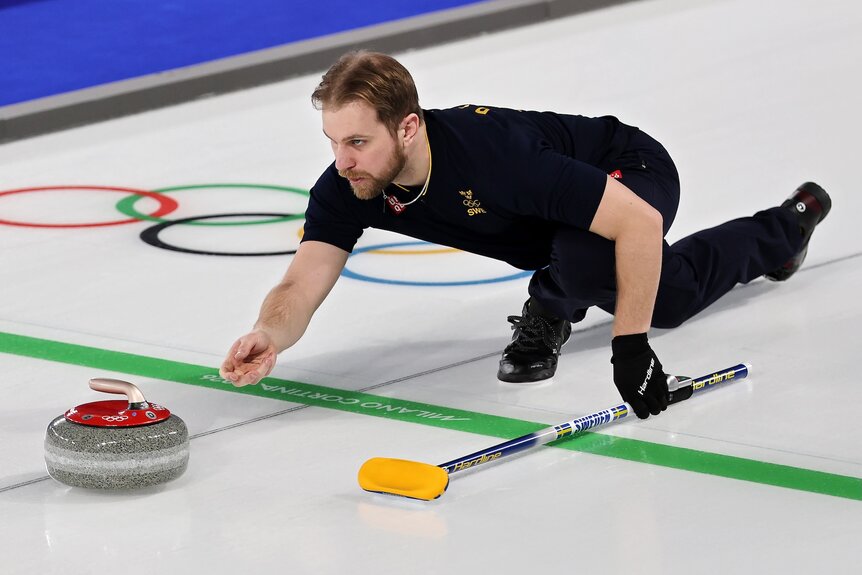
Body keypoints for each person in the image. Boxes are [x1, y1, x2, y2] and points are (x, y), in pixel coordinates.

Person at [219, 50, 831, 419]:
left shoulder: (495, 157)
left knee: (591, 260)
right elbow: (302, 282)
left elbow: (638, 223)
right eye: (333, 141)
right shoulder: (349, 185)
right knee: (668, 298)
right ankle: (787, 228)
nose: (343, 160)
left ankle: (549, 304)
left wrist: (630, 348)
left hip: (627, 171)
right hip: (556, 225)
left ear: (407, 128)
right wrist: (269, 334)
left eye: (357, 141)